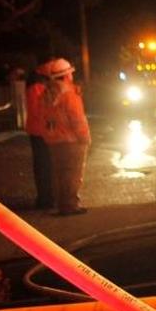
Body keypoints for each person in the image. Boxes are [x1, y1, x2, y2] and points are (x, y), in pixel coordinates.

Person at [41, 58, 91, 215]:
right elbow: (77, 119)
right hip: (72, 141)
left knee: (59, 174)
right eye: (70, 74)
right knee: (73, 174)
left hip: (54, 141)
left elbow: (43, 118)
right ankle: (70, 205)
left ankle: (62, 205)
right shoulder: (69, 95)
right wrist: (85, 137)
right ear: (66, 76)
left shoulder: (46, 95)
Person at [25, 61, 54, 210]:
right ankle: (46, 197)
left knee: (43, 164)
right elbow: (40, 111)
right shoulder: (38, 88)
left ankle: (45, 196)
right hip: (40, 131)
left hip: (37, 130)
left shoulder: (35, 86)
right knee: (44, 165)